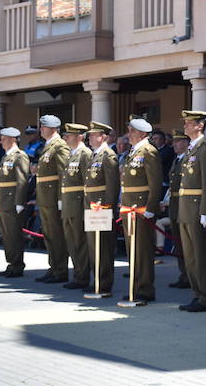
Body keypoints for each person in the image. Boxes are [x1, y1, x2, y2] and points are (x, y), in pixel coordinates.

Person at [119, 116, 162, 303]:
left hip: (141, 208)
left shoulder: (148, 151)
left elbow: (155, 182)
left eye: (132, 131)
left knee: (142, 251)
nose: (129, 134)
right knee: (132, 250)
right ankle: (134, 286)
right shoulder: (134, 151)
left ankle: (144, 288)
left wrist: (151, 207)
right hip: (129, 207)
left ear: (143, 133)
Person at [177, 110, 206, 313]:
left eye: (189, 122)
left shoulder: (205, 148)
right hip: (185, 208)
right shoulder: (192, 149)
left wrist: (205, 211)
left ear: (200, 126)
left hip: (196, 207)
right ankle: (197, 294)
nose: (185, 125)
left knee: (200, 256)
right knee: (190, 256)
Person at [83, 121, 120, 296]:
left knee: (103, 247)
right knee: (93, 246)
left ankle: (104, 282)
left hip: (101, 206)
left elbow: (112, 185)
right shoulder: (94, 155)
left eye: (93, 135)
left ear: (103, 137)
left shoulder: (108, 155)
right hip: (92, 205)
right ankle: (96, 278)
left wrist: (108, 207)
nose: (89, 137)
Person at [34, 115, 70, 283]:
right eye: (41, 126)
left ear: (54, 129)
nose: (41, 129)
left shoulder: (59, 146)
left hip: (53, 197)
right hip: (45, 197)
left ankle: (60, 270)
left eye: (44, 126)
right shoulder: (48, 146)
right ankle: (53, 266)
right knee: (49, 234)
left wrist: (61, 198)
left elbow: (63, 173)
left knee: (56, 234)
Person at [0, 127, 30, 277]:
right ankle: (11, 263)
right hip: (3, 200)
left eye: (3, 138)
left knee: (14, 234)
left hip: (12, 200)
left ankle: (17, 265)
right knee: (6, 234)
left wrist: (20, 202)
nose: (1, 141)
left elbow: (22, 180)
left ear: (13, 139)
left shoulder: (19, 156)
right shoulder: (6, 156)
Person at [60, 123, 92, 290]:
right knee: (72, 241)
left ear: (80, 137)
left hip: (78, 204)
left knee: (79, 241)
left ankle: (83, 276)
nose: (65, 138)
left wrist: (86, 206)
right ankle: (78, 273)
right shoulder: (71, 154)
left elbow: (88, 182)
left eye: (69, 135)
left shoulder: (84, 154)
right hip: (69, 203)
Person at [164, 130, 190, 289]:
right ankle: (184, 274)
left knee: (187, 244)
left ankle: (190, 275)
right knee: (179, 243)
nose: (174, 144)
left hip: (184, 205)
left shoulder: (187, 159)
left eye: (178, 141)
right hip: (174, 204)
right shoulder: (177, 160)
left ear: (186, 143)